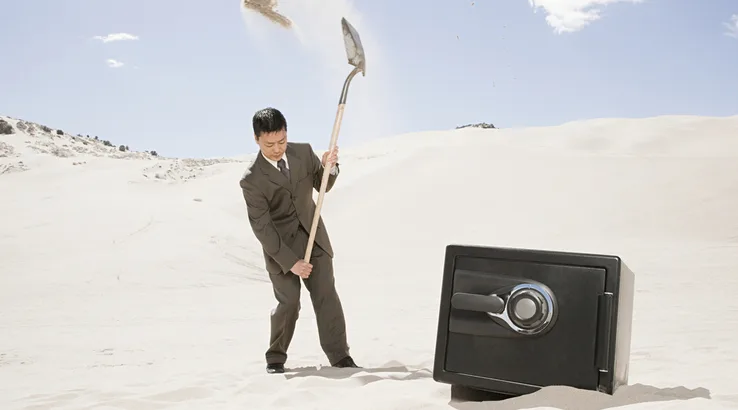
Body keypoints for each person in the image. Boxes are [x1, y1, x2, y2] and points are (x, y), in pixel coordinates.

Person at [239, 107, 358, 374]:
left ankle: (340, 356)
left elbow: (322, 185)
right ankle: (276, 356)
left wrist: (329, 167)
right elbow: (263, 229)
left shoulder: (303, 152)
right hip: (281, 249)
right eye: (269, 144)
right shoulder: (251, 180)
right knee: (289, 302)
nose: (277, 149)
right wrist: (291, 262)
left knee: (326, 296)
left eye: (281, 141)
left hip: (315, 239)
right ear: (256, 139)